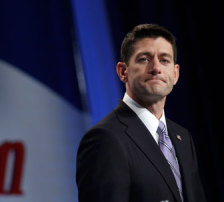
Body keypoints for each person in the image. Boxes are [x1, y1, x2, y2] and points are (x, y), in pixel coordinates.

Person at [76, 24, 206, 202]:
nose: (156, 68)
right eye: (144, 59)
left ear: (175, 74)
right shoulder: (105, 138)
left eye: (164, 60)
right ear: (123, 71)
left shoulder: (182, 137)